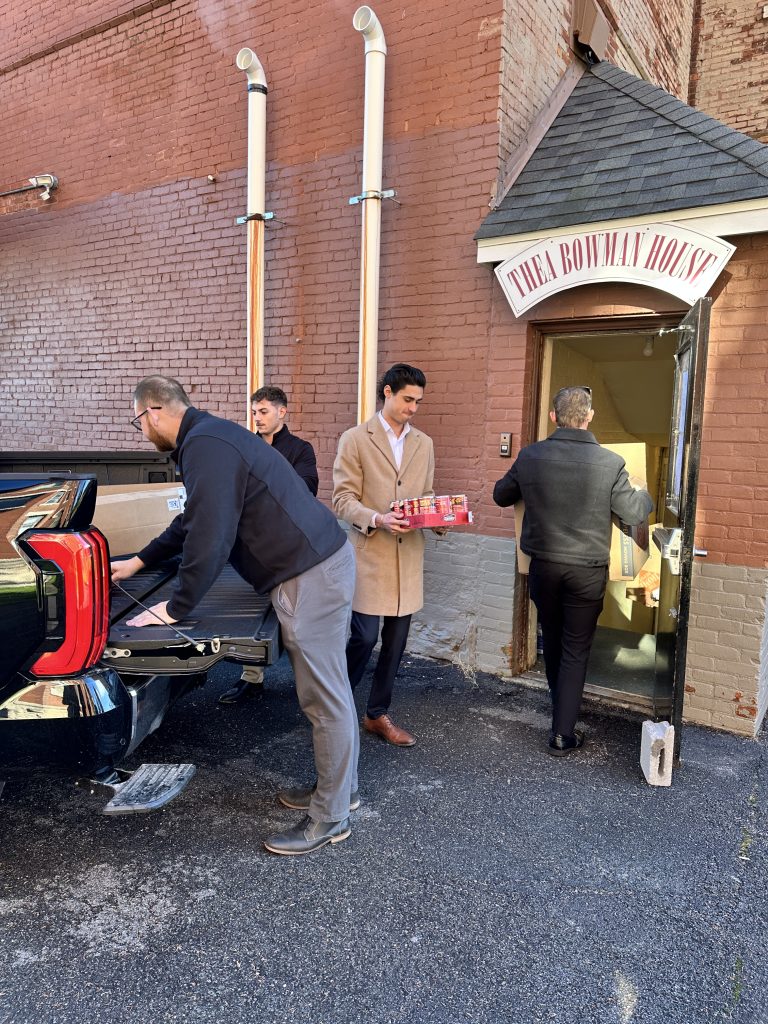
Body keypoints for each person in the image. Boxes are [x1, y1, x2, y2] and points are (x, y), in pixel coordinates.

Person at [111, 375, 358, 855]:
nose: (143, 432)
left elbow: (211, 535)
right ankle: (337, 790)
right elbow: (193, 520)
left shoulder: (205, 445)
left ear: (154, 412)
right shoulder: (211, 438)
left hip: (311, 575)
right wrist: (140, 561)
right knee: (329, 693)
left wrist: (176, 607)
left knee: (324, 699)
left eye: (138, 422)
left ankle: (330, 817)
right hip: (316, 567)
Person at [493, 385, 654, 756]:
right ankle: (562, 734)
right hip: (587, 571)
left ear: (554, 417)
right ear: (589, 417)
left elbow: (501, 495)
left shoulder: (531, 456)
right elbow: (633, 512)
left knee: (552, 639)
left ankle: (559, 709)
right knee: (576, 649)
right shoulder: (610, 463)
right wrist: (643, 492)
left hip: (543, 568)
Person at [332, 363, 437, 747]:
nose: (413, 408)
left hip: (407, 559)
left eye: (418, 402)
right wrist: (377, 518)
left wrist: (440, 517)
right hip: (369, 555)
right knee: (363, 637)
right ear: (388, 392)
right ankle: (335, 707)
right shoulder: (355, 439)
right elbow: (342, 500)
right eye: (408, 399)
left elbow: (426, 495)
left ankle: (376, 714)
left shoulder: (424, 443)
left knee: (396, 644)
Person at [218, 385, 319, 705]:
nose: (257, 418)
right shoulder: (244, 447)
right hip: (253, 545)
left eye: (263, 411)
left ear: (281, 411)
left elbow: (307, 488)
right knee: (254, 613)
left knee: (297, 619)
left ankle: (307, 685)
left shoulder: (300, 449)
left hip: (290, 547)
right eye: (254, 412)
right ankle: (252, 678)